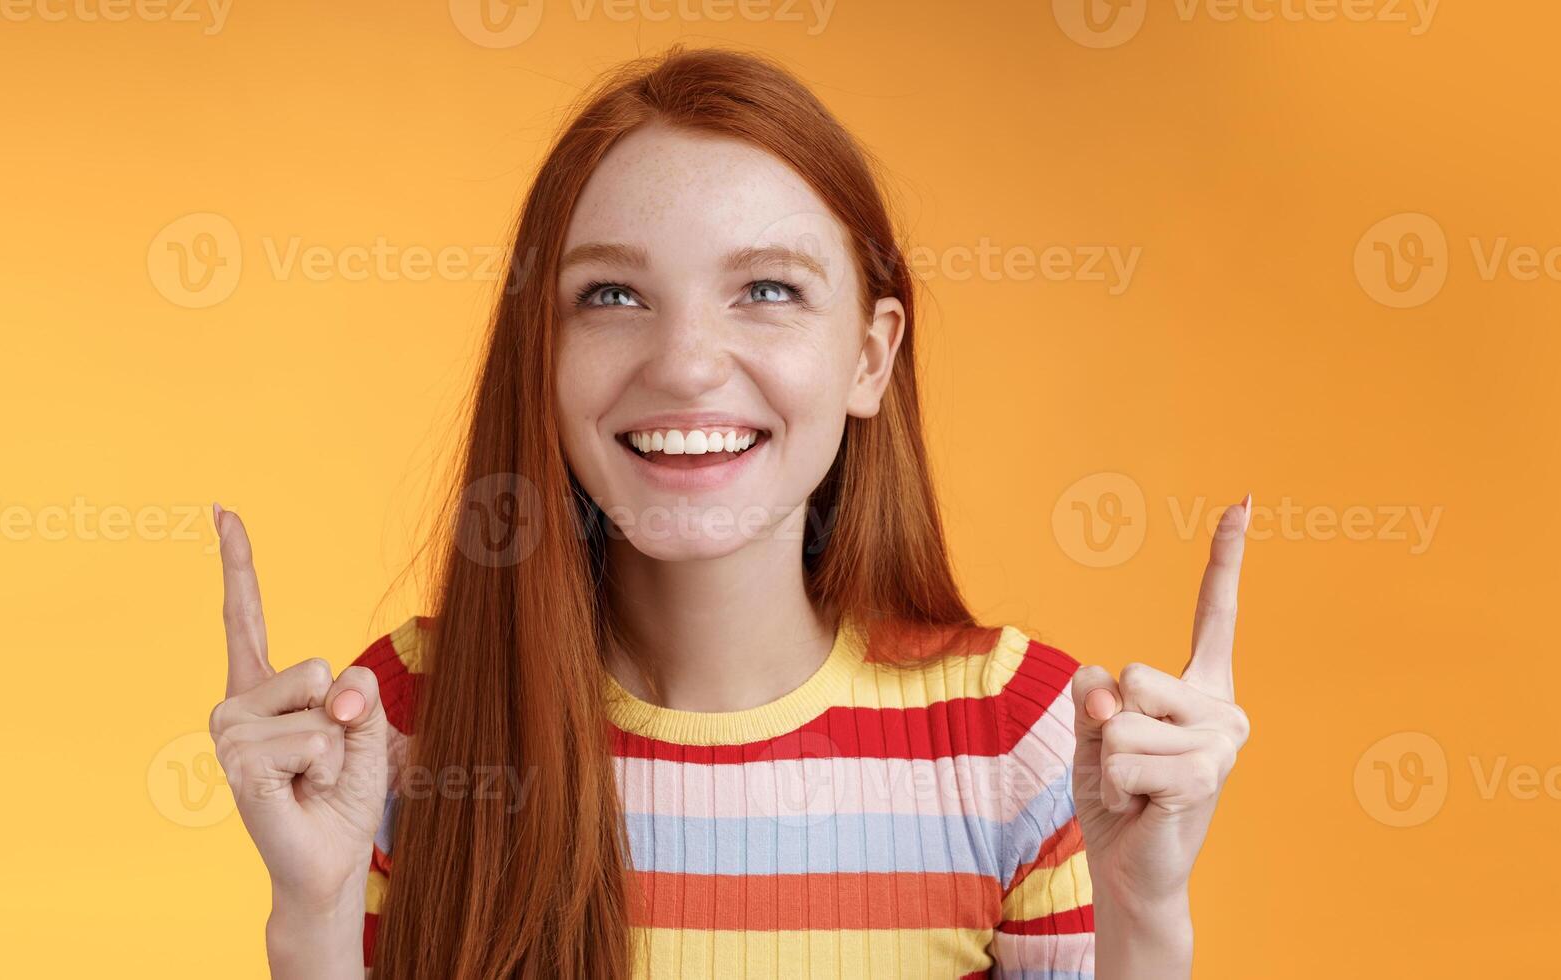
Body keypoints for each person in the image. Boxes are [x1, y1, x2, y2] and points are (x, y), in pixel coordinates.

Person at [202, 47, 1252, 979]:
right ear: (542, 351)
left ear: (869, 354)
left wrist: (1142, 914)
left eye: (767, 290)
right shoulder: (398, 723)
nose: (687, 364)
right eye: (611, 295)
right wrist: (315, 914)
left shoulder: (1019, 737)